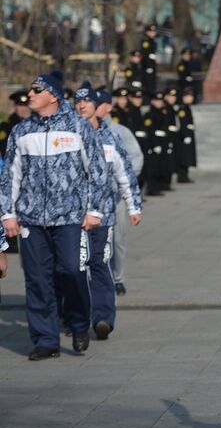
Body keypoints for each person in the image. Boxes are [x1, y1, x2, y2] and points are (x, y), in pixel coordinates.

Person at [0, 71, 109, 359]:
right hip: (31, 219)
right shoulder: (22, 131)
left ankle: (77, 322)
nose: (30, 95)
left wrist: (94, 210)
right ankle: (45, 340)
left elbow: (97, 170)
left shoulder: (77, 127)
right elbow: (9, 176)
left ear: (53, 95)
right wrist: (8, 214)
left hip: (69, 217)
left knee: (71, 270)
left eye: (36, 90)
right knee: (37, 278)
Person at [74, 83, 141, 339]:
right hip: (72, 216)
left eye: (86, 101)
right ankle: (74, 315)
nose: (81, 106)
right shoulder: (69, 133)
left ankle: (102, 317)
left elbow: (124, 172)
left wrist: (133, 204)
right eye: (77, 101)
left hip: (104, 213)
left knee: (101, 264)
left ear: (96, 105)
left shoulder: (111, 136)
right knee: (75, 268)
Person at [108, 87, 144, 294]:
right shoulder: (79, 130)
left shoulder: (119, 131)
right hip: (87, 201)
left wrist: (123, 185)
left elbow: (135, 160)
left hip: (116, 196)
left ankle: (117, 278)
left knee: (117, 238)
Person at [174, 87, 197, 183]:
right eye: (188, 96)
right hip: (184, 136)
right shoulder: (182, 108)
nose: (190, 98)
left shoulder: (187, 107)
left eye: (191, 96)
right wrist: (186, 135)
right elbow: (183, 123)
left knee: (187, 156)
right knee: (184, 157)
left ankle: (185, 175)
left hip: (189, 134)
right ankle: (182, 175)